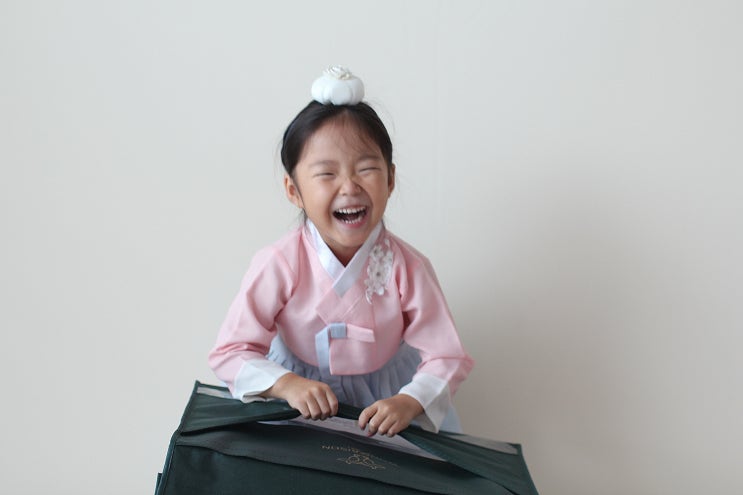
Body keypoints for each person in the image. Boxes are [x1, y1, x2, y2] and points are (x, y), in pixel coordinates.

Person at [208, 66, 473, 437]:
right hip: (295, 402)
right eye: (327, 173)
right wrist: (286, 385)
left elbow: (447, 355)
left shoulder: (409, 267)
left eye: (366, 169)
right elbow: (231, 350)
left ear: (390, 179)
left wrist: (409, 401)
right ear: (294, 190)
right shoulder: (279, 263)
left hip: (386, 402)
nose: (349, 187)